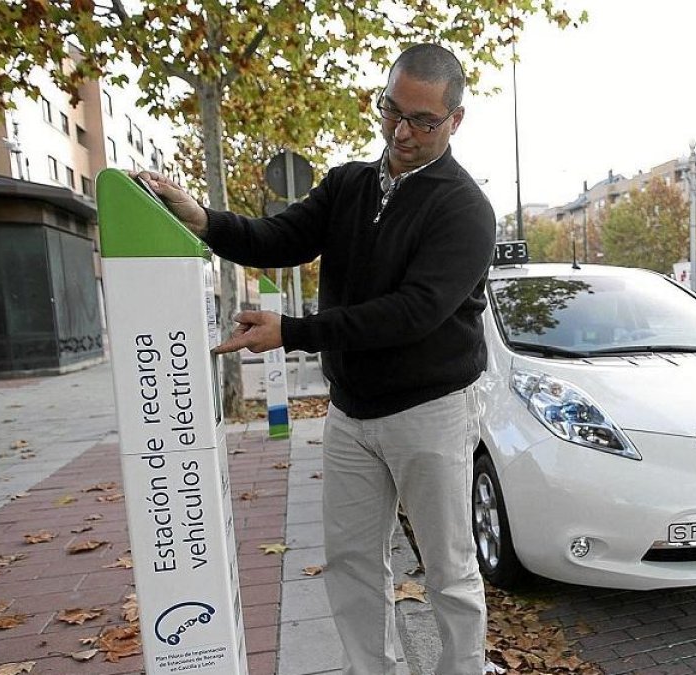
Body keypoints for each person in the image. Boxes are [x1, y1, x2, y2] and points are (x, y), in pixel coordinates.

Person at [138, 43, 495, 675]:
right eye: (391, 111)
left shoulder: (465, 209)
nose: (400, 131)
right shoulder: (350, 182)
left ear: (455, 121)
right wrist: (206, 221)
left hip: (431, 411)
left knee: (448, 566)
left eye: (422, 120)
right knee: (353, 561)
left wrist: (295, 332)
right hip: (351, 414)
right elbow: (281, 237)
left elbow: (411, 313)